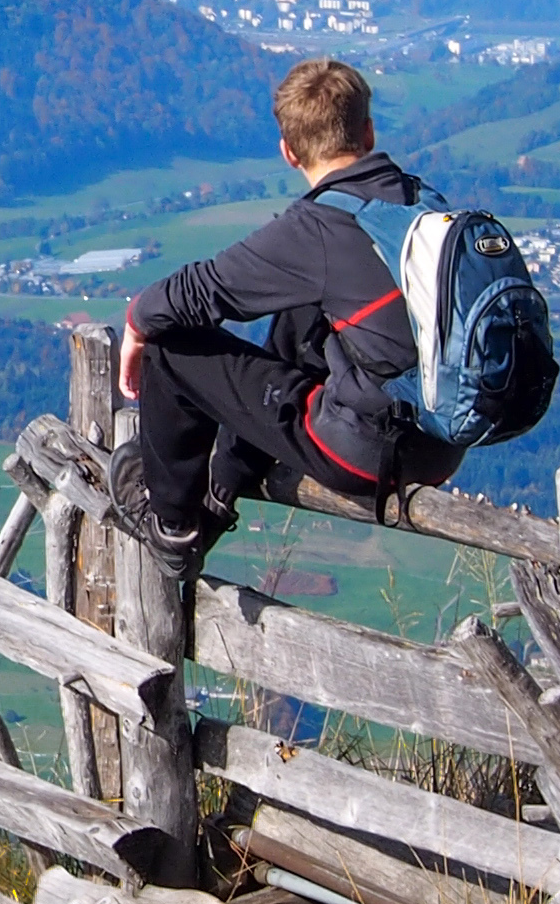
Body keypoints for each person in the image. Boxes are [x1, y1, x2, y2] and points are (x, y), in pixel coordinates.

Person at [105, 56, 464, 558]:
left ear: (289, 152)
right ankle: (225, 484)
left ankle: (172, 528)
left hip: (368, 454)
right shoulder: (422, 203)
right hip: (444, 440)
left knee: (170, 344)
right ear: (370, 131)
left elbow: (197, 292)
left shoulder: (319, 228)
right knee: (306, 310)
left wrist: (136, 324)